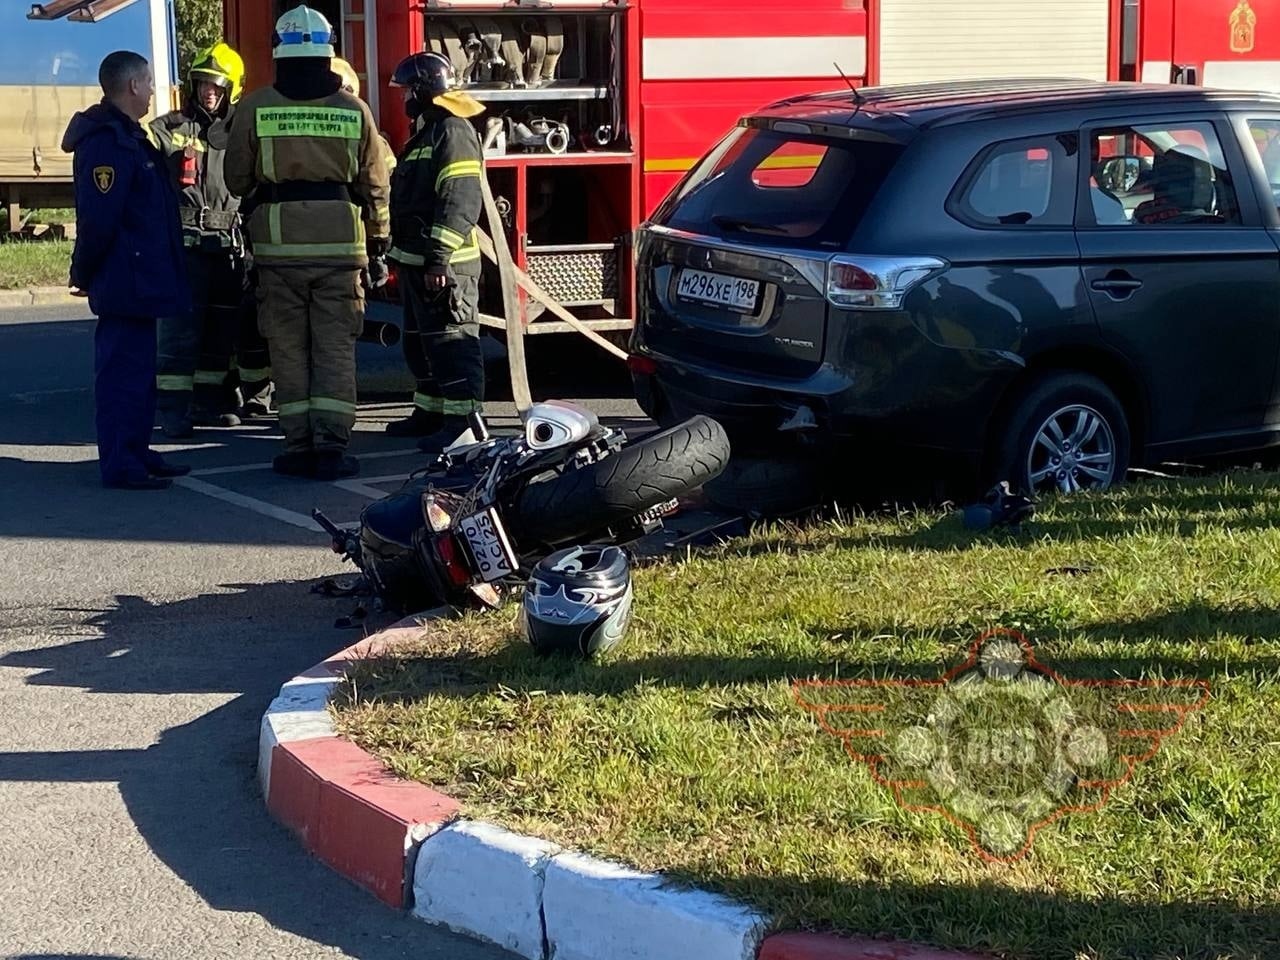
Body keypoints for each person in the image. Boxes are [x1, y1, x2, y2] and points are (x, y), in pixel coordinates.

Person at [225, 5, 392, 480]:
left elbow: (237, 179)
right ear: (328, 53)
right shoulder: (354, 111)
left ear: (279, 53)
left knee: (289, 348)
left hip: (278, 250)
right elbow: (376, 187)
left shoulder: (257, 107)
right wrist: (379, 244)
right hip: (341, 249)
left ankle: (298, 446)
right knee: (336, 347)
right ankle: (332, 448)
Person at [62, 50, 191, 490]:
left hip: (141, 281)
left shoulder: (131, 137)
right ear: (132, 86)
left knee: (139, 375)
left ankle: (136, 450)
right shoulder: (106, 142)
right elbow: (99, 218)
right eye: (149, 81)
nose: (154, 89)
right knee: (121, 377)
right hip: (124, 280)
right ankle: (121, 463)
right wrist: (83, 271)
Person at [151, 42, 256, 437]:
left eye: (216, 85)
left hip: (229, 247)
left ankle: (211, 401)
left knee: (220, 330)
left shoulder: (242, 132)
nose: (208, 91)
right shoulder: (170, 128)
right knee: (181, 330)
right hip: (186, 245)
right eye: (202, 84)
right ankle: (174, 409)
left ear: (232, 89)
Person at [384, 51, 487, 452]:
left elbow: (460, 199)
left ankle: (465, 425)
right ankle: (431, 413)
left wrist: (438, 257)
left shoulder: (453, 131)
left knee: (452, 343)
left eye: (409, 89)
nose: (405, 97)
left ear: (425, 90)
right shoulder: (428, 130)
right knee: (421, 342)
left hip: (447, 265)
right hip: (418, 261)